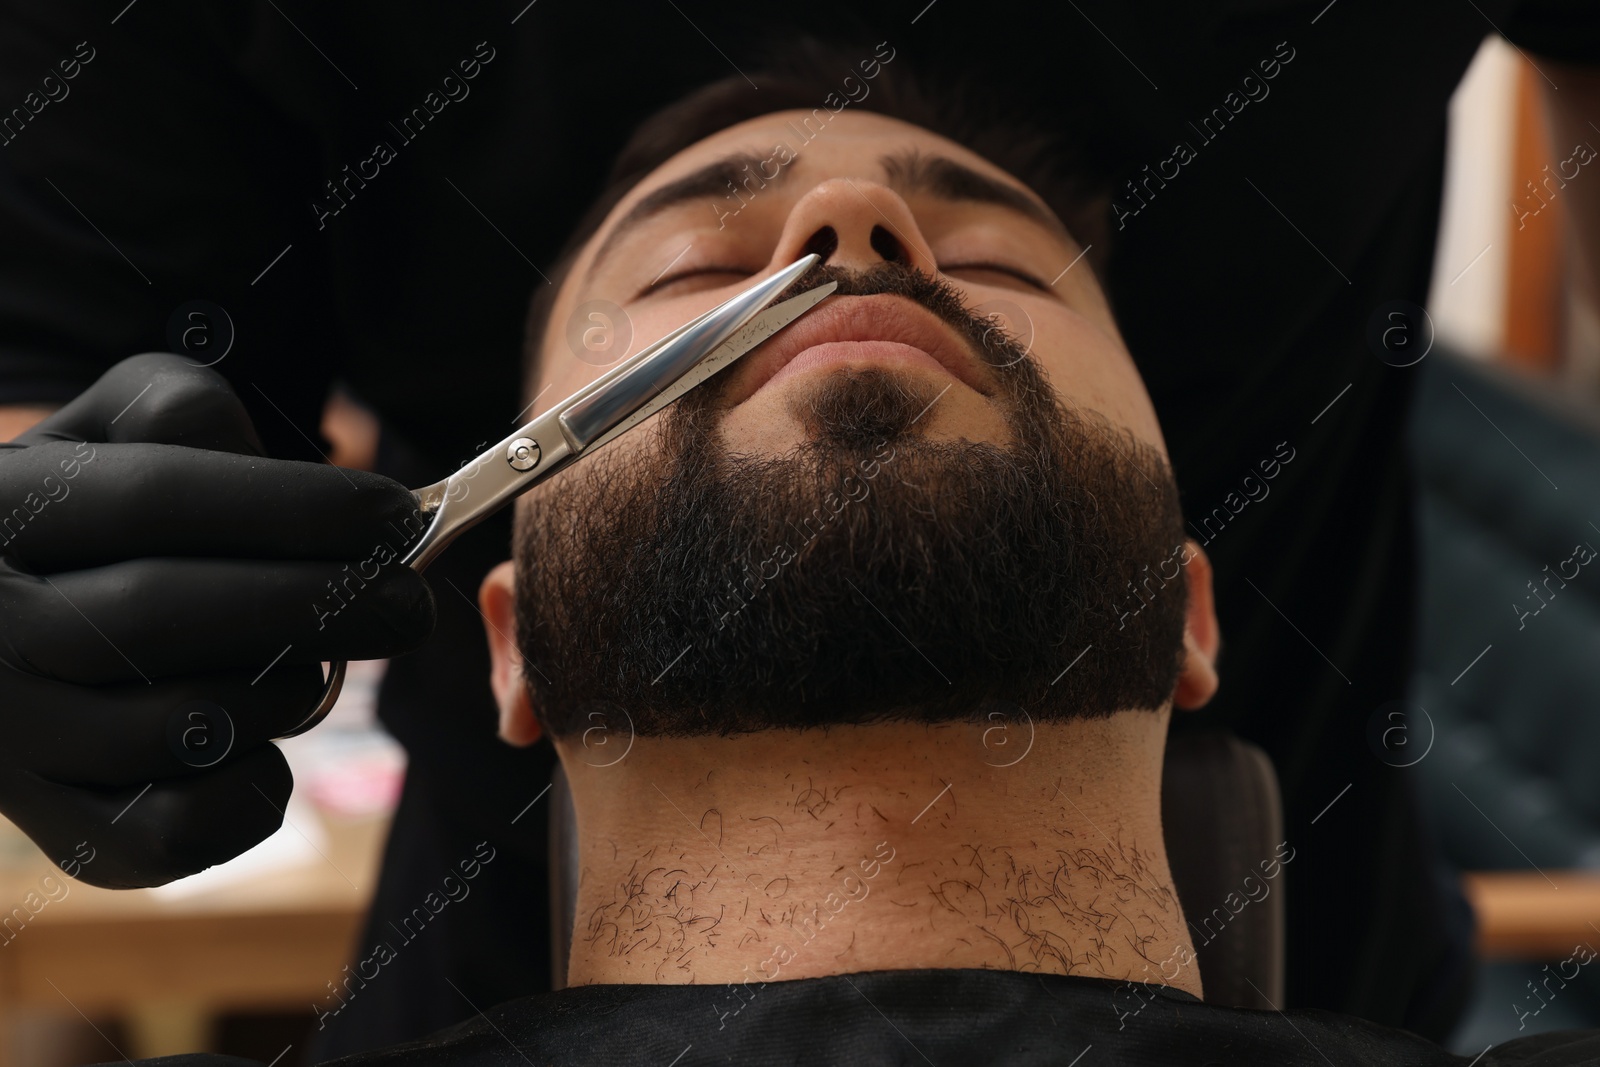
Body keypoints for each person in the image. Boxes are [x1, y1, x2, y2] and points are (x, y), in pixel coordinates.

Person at [2, 4, 1596, 1056]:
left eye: (995, 262)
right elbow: (56, 372)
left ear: (1195, 607)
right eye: (706, 269)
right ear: (511, 632)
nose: (851, 233)